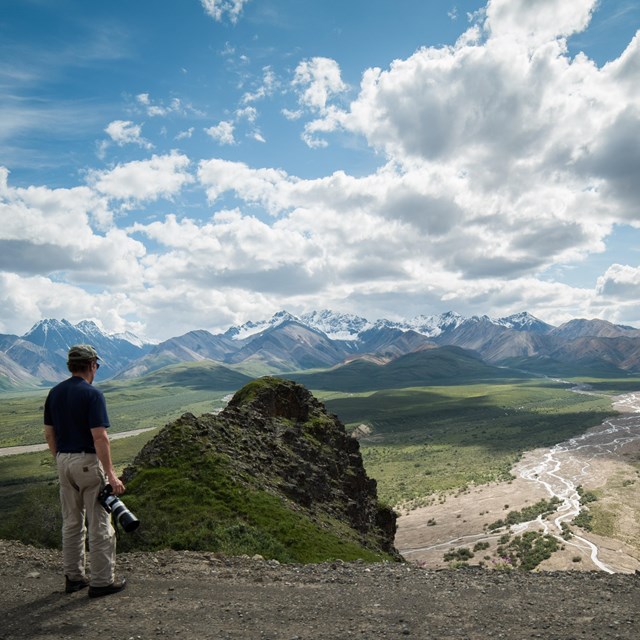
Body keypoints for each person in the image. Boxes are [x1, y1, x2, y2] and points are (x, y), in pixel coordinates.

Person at [44, 344, 127, 598]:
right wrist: (111, 475)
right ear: (92, 365)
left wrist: (60, 458)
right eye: (97, 365)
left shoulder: (54, 393)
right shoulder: (92, 395)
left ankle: (74, 577)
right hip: (87, 462)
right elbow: (100, 438)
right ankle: (101, 582)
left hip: (63, 460)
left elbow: (49, 433)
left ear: (71, 366)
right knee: (100, 521)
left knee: (71, 522)